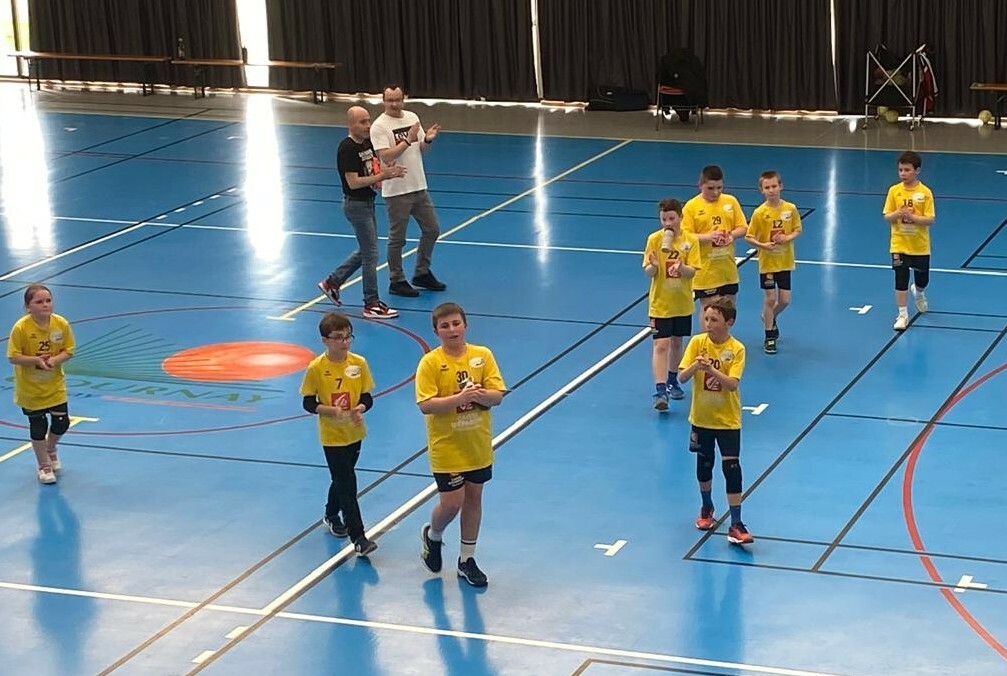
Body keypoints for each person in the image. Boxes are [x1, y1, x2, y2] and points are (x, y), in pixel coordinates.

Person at [415, 302, 505, 587]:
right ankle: (433, 535)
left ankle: (467, 559)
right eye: (445, 326)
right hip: (447, 446)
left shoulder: (482, 355)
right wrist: (458, 399)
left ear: (465, 325)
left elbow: (497, 395)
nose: (452, 329)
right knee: (452, 503)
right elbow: (425, 405)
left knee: (474, 498)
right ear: (436, 332)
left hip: (477, 444)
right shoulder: (431, 363)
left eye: (456, 323)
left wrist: (480, 396)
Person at [318, 106, 407, 319]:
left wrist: (385, 172)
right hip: (355, 205)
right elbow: (353, 182)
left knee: (366, 250)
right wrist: (382, 177)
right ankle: (371, 303)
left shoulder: (367, 144)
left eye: (368, 121)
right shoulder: (347, 148)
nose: (368, 126)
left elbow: (371, 169)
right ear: (351, 124)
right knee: (371, 253)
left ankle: (332, 282)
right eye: (362, 122)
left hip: (367, 202)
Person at [300, 312, 377, 557]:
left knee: (342, 478)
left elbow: (367, 397)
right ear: (325, 340)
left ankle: (331, 513)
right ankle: (359, 537)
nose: (344, 342)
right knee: (348, 484)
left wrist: (359, 409)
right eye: (338, 337)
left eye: (348, 337)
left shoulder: (359, 363)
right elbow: (308, 403)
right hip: (332, 436)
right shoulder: (316, 368)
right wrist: (330, 410)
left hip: (354, 433)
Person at [677, 301, 753, 545]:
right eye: (706, 319)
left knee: (732, 469)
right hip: (702, 418)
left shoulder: (737, 349)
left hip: (727, 420)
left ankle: (736, 523)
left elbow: (732, 384)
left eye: (714, 320)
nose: (708, 324)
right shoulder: (697, 343)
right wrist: (695, 366)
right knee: (704, 464)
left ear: (729, 323)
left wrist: (711, 370)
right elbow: (682, 377)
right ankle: (706, 506)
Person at [370, 84, 447, 298]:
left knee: (432, 229)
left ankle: (422, 272)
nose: (394, 104)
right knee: (398, 239)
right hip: (397, 190)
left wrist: (427, 139)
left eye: (397, 100)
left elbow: (421, 148)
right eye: (390, 100)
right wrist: (407, 140)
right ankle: (396, 279)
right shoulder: (379, 126)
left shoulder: (412, 117)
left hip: (418, 186)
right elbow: (385, 156)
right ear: (383, 101)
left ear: (403, 99)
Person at [7, 284, 75, 485]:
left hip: (54, 386)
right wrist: (36, 361)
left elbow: (69, 350)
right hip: (30, 389)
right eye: (39, 301)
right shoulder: (21, 328)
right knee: (38, 426)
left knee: (62, 423)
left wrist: (54, 360)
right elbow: (13, 357)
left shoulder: (61, 324)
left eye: (48, 300)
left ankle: (50, 448)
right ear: (28, 306)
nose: (45, 305)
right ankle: (44, 465)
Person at [643, 198, 701, 410]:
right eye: (664, 219)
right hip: (660, 304)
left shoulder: (691, 240)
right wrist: (654, 266)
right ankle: (660, 391)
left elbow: (692, 271)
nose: (668, 223)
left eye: (671, 218)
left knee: (677, 342)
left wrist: (682, 267)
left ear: (680, 217)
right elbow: (648, 272)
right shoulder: (654, 239)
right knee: (661, 345)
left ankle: (672, 380)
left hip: (682, 303)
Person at [745, 171, 802, 354]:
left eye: (774, 186)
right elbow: (749, 236)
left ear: (780, 186)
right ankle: (769, 335)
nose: (771, 190)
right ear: (761, 190)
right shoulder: (760, 213)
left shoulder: (790, 209)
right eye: (767, 187)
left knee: (784, 300)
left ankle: (768, 317)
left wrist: (787, 238)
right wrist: (763, 246)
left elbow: (797, 230)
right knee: (770, 298)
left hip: (784, 261)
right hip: (768, 263)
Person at [682, 165, 748, 309]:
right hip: (705, 272)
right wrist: (708, 237)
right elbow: (685, 237)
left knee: (729, 310)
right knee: (710, 310)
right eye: (710, 188)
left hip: (727, 270)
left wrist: (731, 236)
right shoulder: (691, 207)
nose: (716, 192)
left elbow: (743, 228)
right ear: (700, 185)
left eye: (719, 188)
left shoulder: (731, 201)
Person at [883, 150, 935, 331]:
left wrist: (913, 218)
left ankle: (918, 292)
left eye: (907, 170)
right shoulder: (894, 191)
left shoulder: (925, 193)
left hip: (919, 246)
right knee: (900, 278)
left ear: (917, 170)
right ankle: (902, 314)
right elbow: (887, 216)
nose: (903, 174)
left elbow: (930, 219)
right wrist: (897, 214)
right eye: (900, 170)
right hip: (899, 244)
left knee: (922, 280)